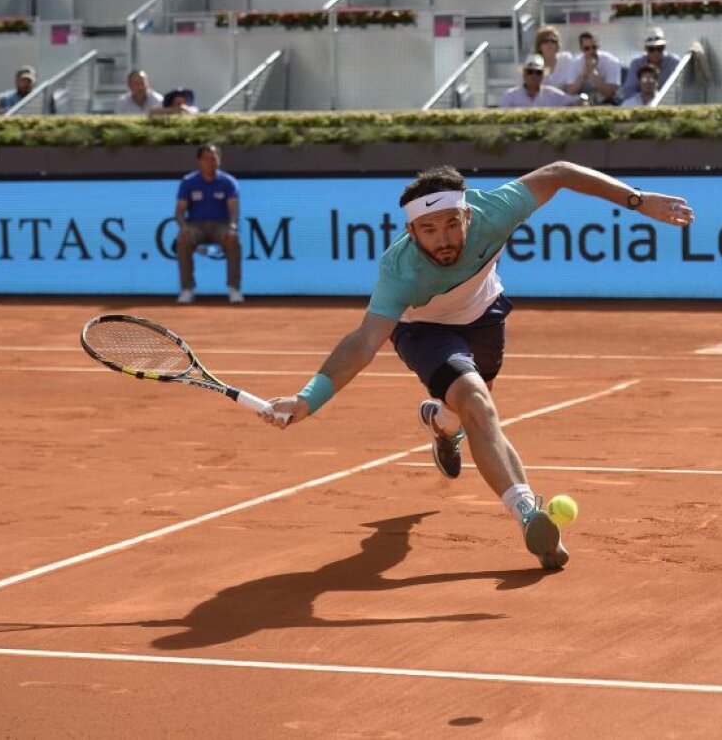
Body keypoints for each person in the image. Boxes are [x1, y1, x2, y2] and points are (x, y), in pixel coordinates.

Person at [257, 162, 694, 569]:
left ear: (467, 215)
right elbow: (363, 341)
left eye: (451, 224)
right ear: (411, 230)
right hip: (424, 331)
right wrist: (307, 398)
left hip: (485, 318)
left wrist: (637, 200)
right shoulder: (399, 270)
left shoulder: (496, 210)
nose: (443, 239)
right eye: (428, 230)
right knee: (478, 405)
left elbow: (559, 173)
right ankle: (529, 515)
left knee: (467, 412)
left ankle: (441, 424)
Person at [174, 144, 242, 304]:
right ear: (199, 161)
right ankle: (187, 289)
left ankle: (234, 288)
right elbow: (179, 211)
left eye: (213, 158)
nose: (210, 162)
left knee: (233, 239)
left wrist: (232, 227)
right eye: (206, 158)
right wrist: (183, 227)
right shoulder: (188, 182)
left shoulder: (228, 182)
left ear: (219, 160)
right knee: (183, 239)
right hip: (196, 225)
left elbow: (234, 210)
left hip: (221, 225)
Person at [622, 27, 681, 102]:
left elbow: (680, 90)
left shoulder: (674, 62)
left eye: (660, 48)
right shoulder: (636, 64)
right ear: (645, 49)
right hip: (642, 103)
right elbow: (629, 91)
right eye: (651, 49)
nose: (656, 53)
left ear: (665, 47)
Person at [564, 31, 623, 106]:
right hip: (583, 99)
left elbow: (610, 93)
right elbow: (569, 93)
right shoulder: (575, 63)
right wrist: (583, 74)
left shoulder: (611, 61)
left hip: (607, 100)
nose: (591, 51)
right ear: (581, 49)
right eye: (587, 48)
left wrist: (592, 73)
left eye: (594, 47)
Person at [498, 54, 579, 109]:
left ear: (543, 75)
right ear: (524, 74)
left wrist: (583, 99)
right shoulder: (510, 96)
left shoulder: (552, 94)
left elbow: (574, 100)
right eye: (530, 72)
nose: (534, 75)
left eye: (538, 72)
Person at [532, 25, 578, 92]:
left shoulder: (565, 59)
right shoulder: (533, 64)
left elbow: (571, 87)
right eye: (545, 41)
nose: (549, 44)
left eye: (553, 41)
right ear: (539, 46)